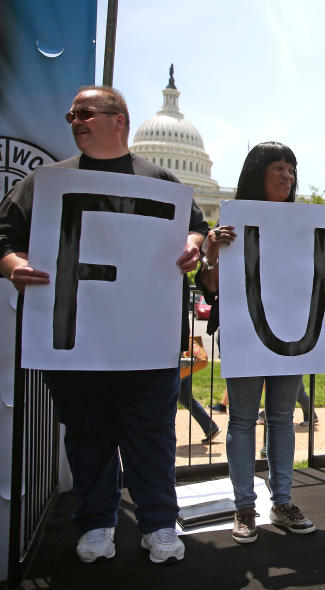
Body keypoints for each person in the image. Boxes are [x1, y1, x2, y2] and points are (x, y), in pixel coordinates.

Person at [0, 86, 206, 563]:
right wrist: (14, 265)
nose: (75, 119)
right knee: (88, 435)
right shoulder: (47, 182)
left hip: (146, 340)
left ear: (120, 119)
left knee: (151, 436)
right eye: (72, 113)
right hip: (78, 339)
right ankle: (96, 523)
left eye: (86, 112)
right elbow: (5, 234)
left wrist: (194, 243)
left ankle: (158, 523)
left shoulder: (160, 181)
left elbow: (193, 224)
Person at [196, 142, 316, 544]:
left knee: (282, 419)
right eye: (279, 168)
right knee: (243, 420)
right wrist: (212, 250)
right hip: (245, 332)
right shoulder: (231, 227)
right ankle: (244, 507)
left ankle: (282, 502)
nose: (287, 176)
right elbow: (211, 286)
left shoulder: (304, 223)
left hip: (290, 333)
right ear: (258, 174)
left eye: (291, 170)